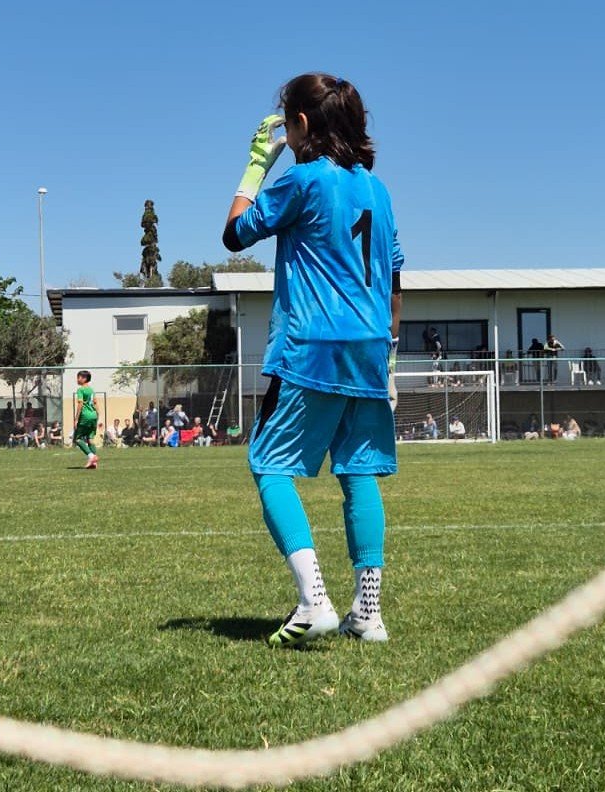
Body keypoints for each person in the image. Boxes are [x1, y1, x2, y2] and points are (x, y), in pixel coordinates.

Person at [223, 73, 400, 646]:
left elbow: (234, 234)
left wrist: (256, 165)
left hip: (310, 346)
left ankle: (314, 601)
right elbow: (396, 277)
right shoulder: (379, 191)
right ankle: (367, 614)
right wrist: (389, 350)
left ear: (299, 124)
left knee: (269, 465)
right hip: (371, 346)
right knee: (358, 471)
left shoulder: (302, 179)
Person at [72, 370, 99, 469]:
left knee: (77, 439)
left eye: (79, 377)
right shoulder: (91, 390)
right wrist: (97, 415)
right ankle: (94, 463)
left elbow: (80, 404)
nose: (77, 379)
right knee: (90, 439)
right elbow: (95, 403)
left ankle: (91, 457)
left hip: (85, 416)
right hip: (93, 415)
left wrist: (76, 419)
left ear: (84, 378)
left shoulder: (81, 390)